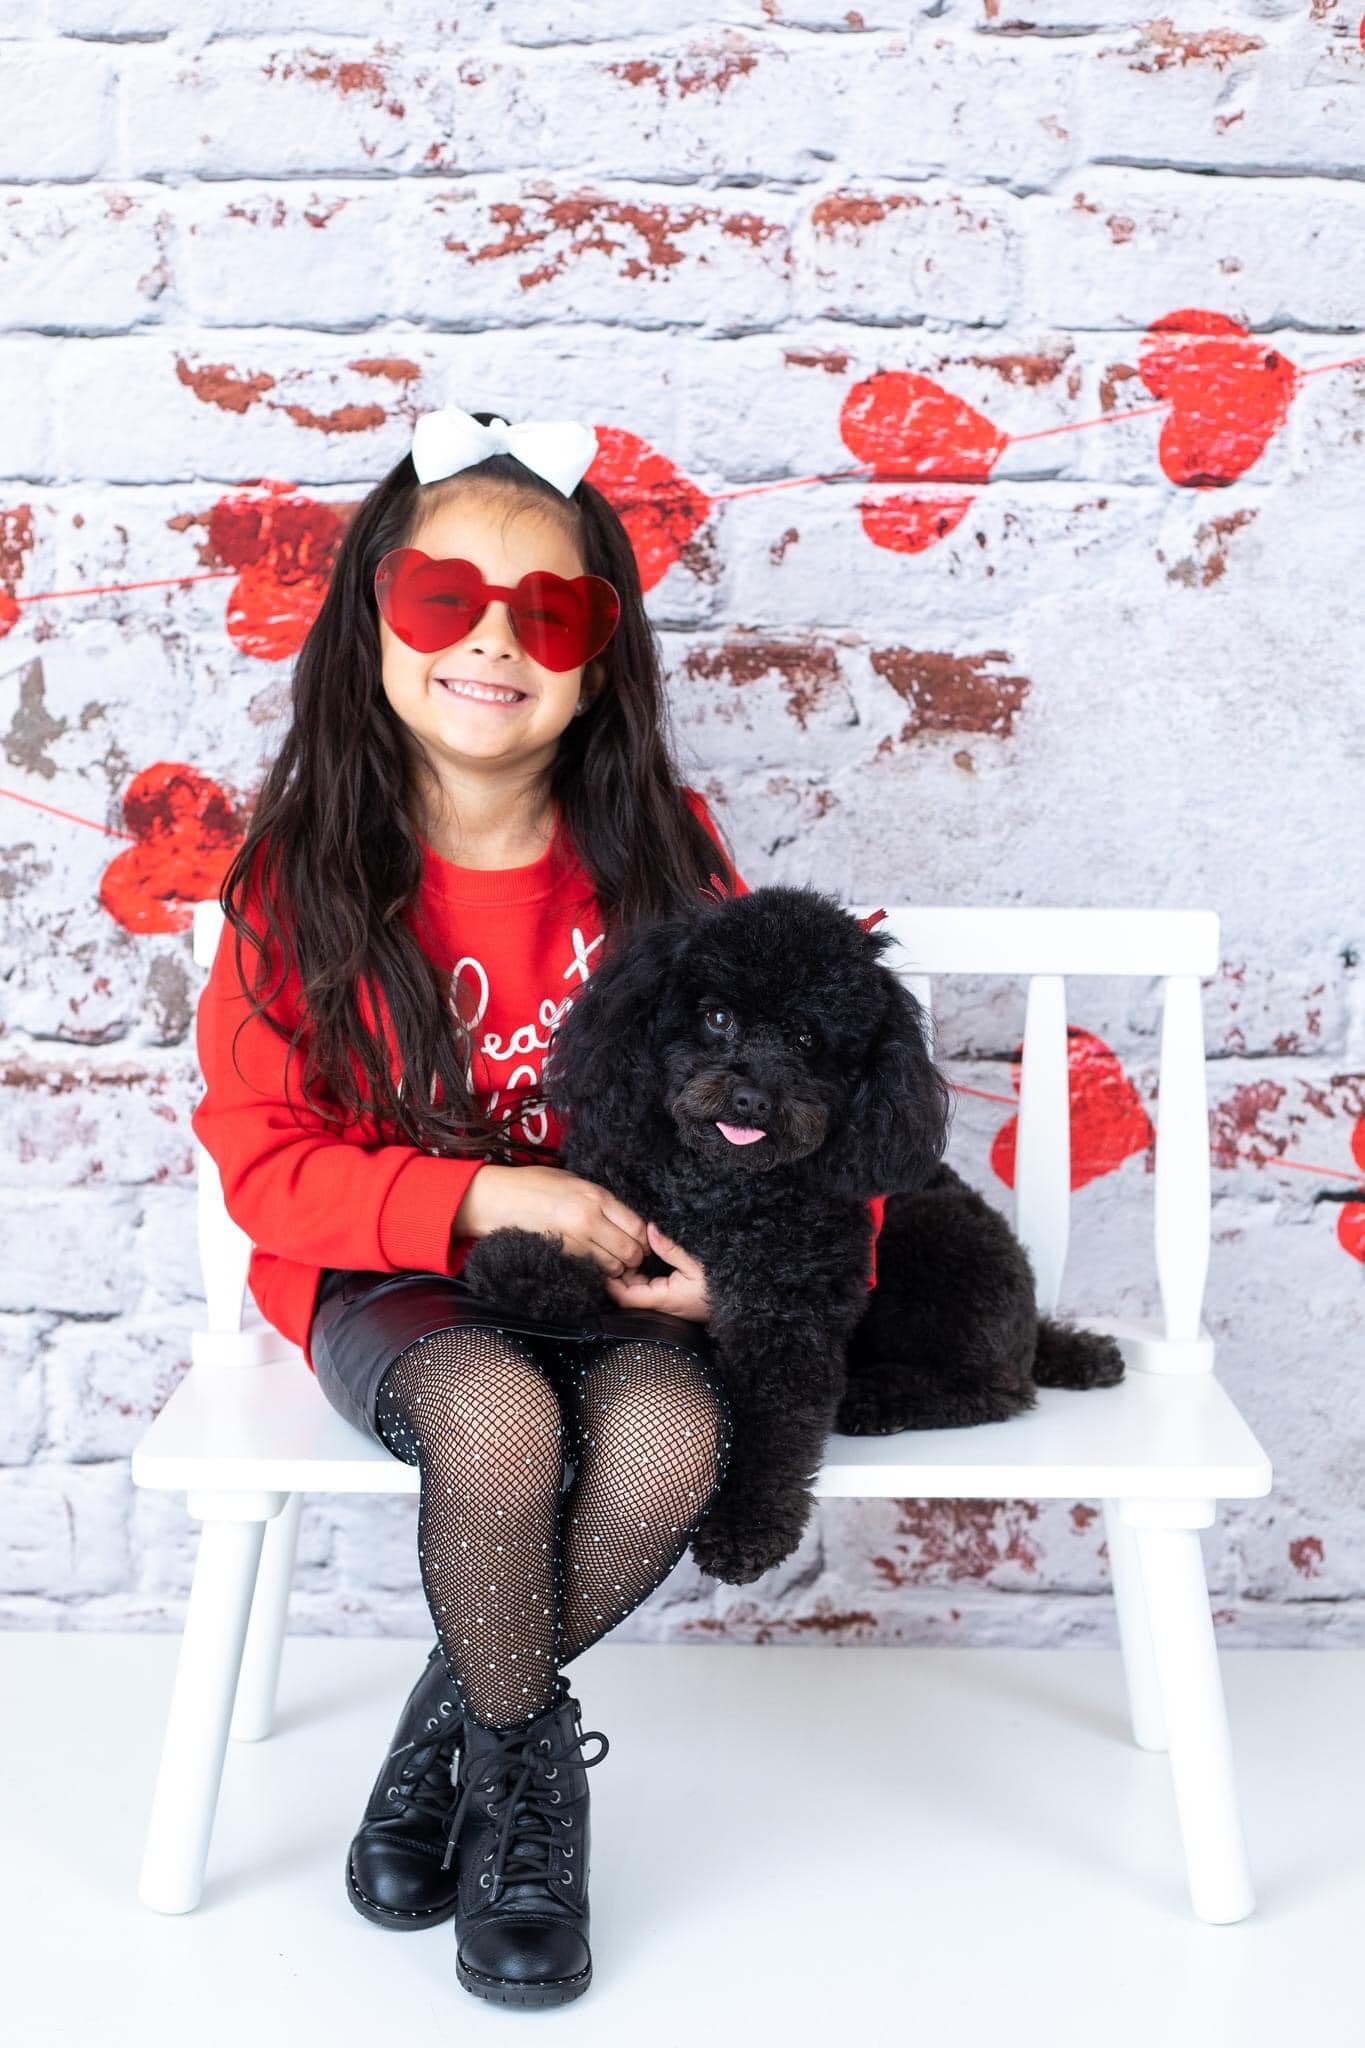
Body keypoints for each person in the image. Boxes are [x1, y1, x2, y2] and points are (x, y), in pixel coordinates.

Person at [190, 395, 754, 2010]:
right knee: (499, 1430)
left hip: (612, 1274)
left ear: (599, 656)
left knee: (667, 1442)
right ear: (375, 616)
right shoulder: (298, 875)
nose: (491, 641)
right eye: (446, 600)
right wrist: (488, 1188)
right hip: (393, 1270)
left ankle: (451, 1733)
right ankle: (532, 1791)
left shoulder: (656, 852)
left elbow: (777, 1088)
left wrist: (742, 1276)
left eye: (547, 610)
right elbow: (266, 1164)